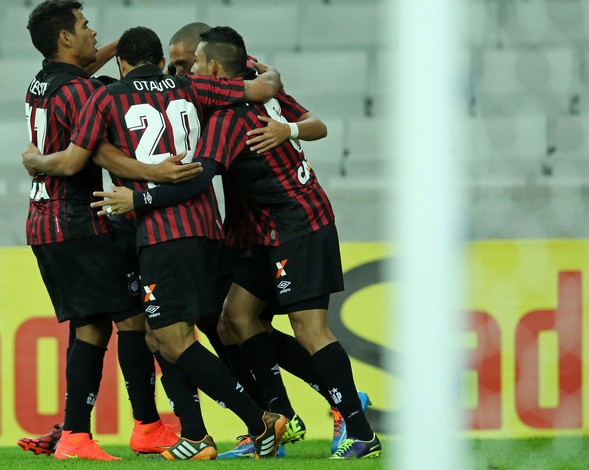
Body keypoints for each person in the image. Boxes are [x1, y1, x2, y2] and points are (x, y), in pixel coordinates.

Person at [91, 26, 381, 460]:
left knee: (308, 328)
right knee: (235, 319)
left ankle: (357, 427)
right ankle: (277, 421)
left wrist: (139, 195)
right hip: (256, 231)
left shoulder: (228, 115)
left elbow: (204, 175)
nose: (178, 72)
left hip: (297, 224)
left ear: (210, 67)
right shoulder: (248, 89)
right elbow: (273, 89)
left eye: (187, 63)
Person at [23, 25, 288, 460]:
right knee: (167, 335)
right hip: (208, 226)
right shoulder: (188, 84)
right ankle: (199, 435)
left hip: (160, 231)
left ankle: (259, 419)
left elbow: (75, 159)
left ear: (122, 63)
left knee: (169, 338)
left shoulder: (106, 98)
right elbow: (260, 90)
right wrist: (264, 71)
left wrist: (35, 159)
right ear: (160, 60)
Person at [15, 0, 200, 461]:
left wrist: (124, 41)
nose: (91, 32)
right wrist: (154, 175)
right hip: (78, 219)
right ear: (64, 37)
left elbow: (80, 74)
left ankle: (76, 434)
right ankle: (146, 426)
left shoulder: (44, 81)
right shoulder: (79, 93)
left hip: (47, 222)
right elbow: (96, 152)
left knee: (91, 326)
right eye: (84, 26)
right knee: (134, 318)